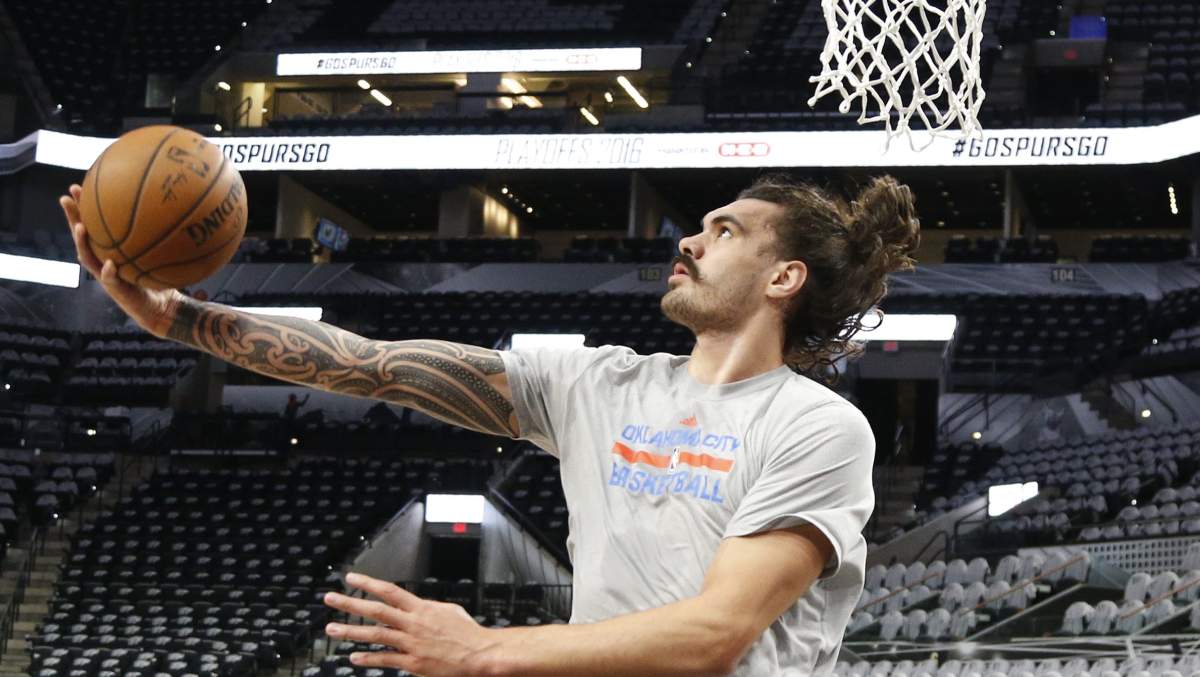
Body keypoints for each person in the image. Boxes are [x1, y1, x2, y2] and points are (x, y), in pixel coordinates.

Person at [60, 173, 920, 676]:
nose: (689, 242)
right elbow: (371, 363)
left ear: (783, 279)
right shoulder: (598, 384)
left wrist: (483, 650)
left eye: (724, 231)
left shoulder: (817, 425)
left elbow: (716, 633)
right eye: (696, 228)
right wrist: (179, 318)